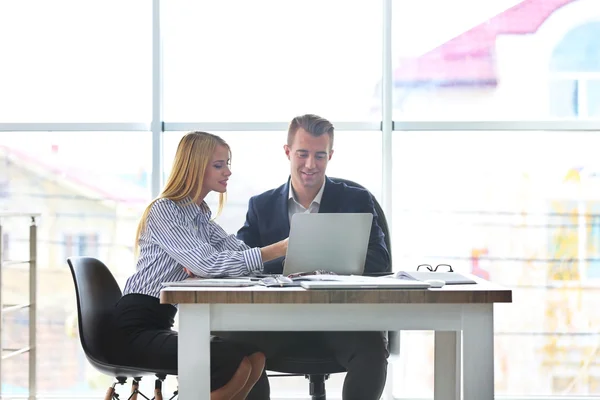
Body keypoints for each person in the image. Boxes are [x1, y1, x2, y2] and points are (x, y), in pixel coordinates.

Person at [106, 131, 288, 400]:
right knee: (234, 359)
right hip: (133, 329)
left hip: (160, 324)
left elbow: (238, 254)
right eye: (219, 165)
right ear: (194, 167)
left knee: (256, 357)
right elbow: (208, 263)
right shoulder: (165, 211)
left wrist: (288, 261)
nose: (227, 171)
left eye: (228, 163)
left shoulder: (200, 217)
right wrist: (280, 248)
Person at [222, 114, 391, 400]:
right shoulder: (261, 206)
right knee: (234, 344)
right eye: (302, 154)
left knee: (372, 347)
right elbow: (245, 262)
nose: (310, 165)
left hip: (341, 319)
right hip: (277, 321)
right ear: (288, 152)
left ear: (331, 156)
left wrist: (323, 268)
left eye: (319, 156)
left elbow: (380, 260)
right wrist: (296, 261)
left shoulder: (357, 199)